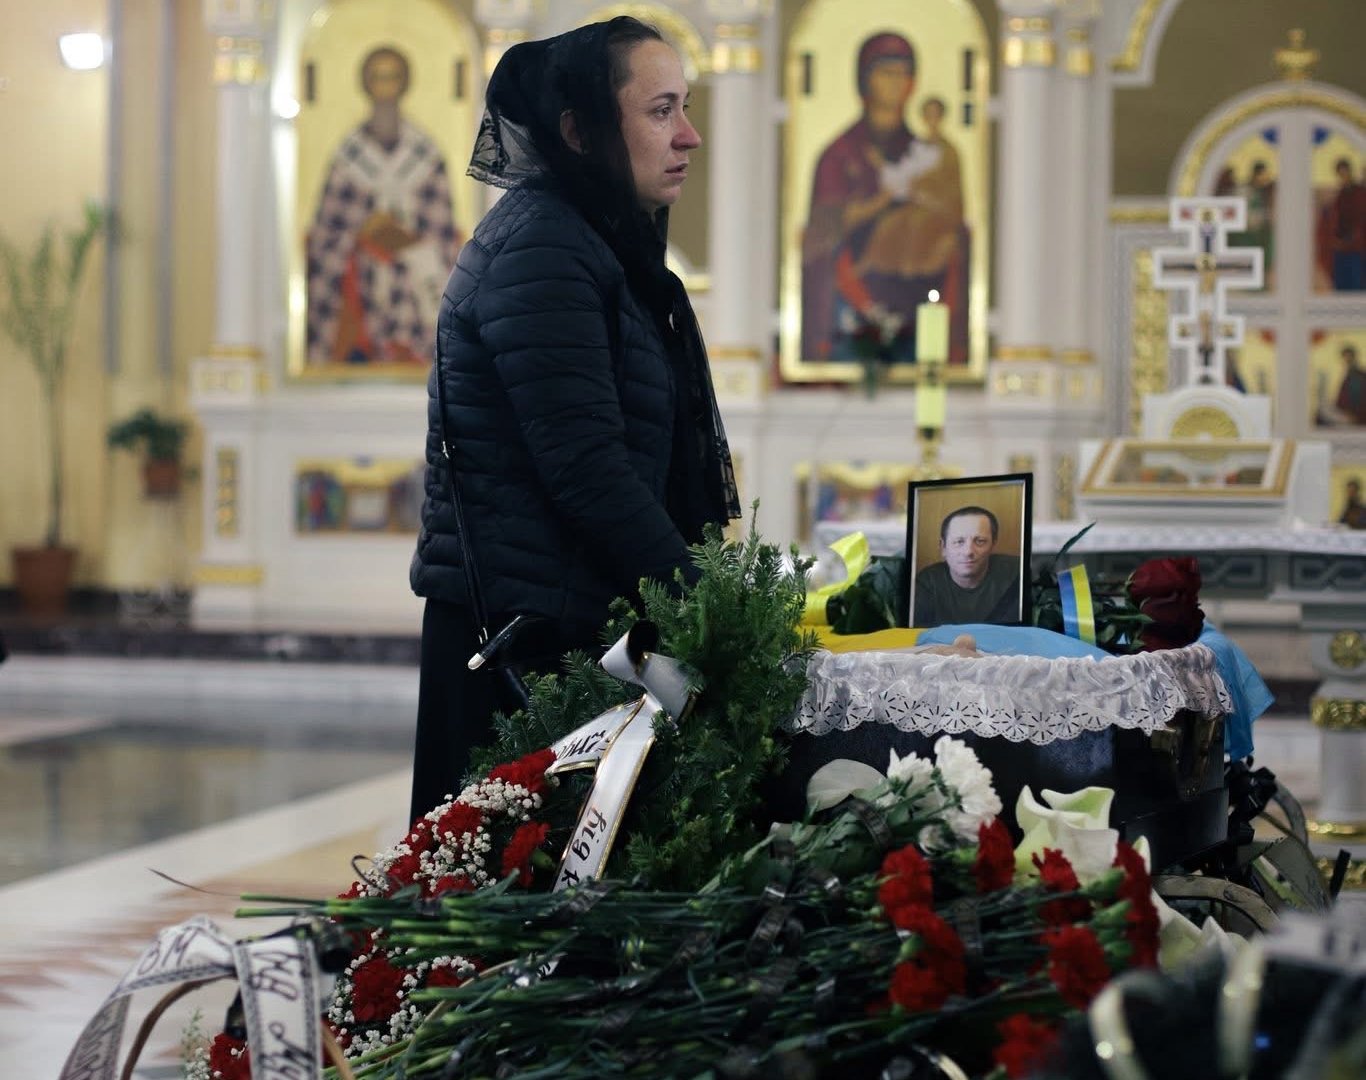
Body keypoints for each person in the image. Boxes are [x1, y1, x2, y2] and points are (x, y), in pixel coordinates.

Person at [406, 18, 741, 822]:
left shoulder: (595, 241)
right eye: (660, 111)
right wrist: (710, 610)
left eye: (685, 107)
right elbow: (587, 469)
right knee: (508, 881)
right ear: (580, 131)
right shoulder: (545, 248)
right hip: (525, 647)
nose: (689, 135)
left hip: (565, 623)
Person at [800, 33, 966, 364]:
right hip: (852, 306)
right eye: (886, 72)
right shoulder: (839, 154)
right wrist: (876, 204)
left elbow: (953, 217)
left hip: (919, 288)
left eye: (903, 74)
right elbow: (821, 233)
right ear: (865, 79)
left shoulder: (929, 154)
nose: (895, 83)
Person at [305, 46, 463, 366]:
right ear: (366, 84)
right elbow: (327, 233)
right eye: (377, 77)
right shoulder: (348, 156)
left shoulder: (426, 154)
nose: (385, 87)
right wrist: (364, 236)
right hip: (360, 288)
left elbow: (443, 233)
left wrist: (404, 242)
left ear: (405, 83)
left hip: (413, 286)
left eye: (393, 77)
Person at [912, 506, 1020, 627]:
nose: (968, 552)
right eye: (959, 542)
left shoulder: (1018, 573)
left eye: (980, 541)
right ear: (943, 547)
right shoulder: (927, 583)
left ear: (993, 545)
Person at [1335, 344, 1366, 425]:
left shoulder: (1359, 376)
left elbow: (1357, 398)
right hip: (1348, 415)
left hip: (1357, 418)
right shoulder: (1349, 376)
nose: (1346, 362)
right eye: (1345, 360)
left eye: (1349, 359)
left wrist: (1351, 414)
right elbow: (1341, 397)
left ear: (1355, 358)